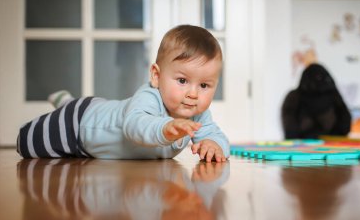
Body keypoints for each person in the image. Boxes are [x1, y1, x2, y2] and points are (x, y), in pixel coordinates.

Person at [17, 24, 229, 162]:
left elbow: (215, 135)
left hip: (97, 128)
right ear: (156, 76)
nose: (193, 94)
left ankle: (65, 100)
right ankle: (66, 104)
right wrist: (166, 128)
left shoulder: (197, 113)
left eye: (204, 86)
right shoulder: (149, 97)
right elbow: (135, 126)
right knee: (26, 143)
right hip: (79, 124)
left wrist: (215, 145)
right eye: (182, 81)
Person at [281, 63, 351, 139]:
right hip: (303, 143)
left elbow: (345, 121)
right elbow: (290, 128)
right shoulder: (294, 96)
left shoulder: (333, 95)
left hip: (330, 143)